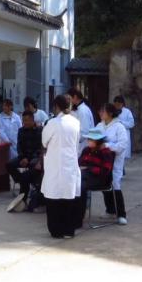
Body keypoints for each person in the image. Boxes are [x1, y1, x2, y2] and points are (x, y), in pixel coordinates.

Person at [41, 95, 82, 239]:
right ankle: (69, 230)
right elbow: (76, 143)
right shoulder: (76, 122)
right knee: (68, 197)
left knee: (54, 198)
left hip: (55, 164)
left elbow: (44, 141)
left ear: (56, 107)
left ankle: (56, 230)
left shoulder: (53, 123)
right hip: (70, 163)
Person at [98, 103, 130, 225]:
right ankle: (110, 210)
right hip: (102, 161)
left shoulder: (119, 127)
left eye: (103, 111)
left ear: (110, 113)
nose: (101, 113)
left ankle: (121, 214)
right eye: (100, 111)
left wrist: (107, 145)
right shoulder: (100, 125)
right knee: (105, 185)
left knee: (115, 185)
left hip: (115, 161)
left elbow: (122, 145)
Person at [76, 127, 115, 228]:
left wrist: (89, 168)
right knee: (75, 185)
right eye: (88, 139)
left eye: (91, 139)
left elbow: (105, 171)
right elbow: (79, 163)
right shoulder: (86, 150)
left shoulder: (105, 152)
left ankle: (78, 219)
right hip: (85, 176)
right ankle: (73, 214)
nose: (88, 141)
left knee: (81, 187)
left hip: (100, 179)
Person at [6, 110, 44, 212]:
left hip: (34, 157)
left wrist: (28, 158)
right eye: (23, 120)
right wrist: (22, 157)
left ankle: (26, 185)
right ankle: (21, 181)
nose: (25, 123)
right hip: (23, 156)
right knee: (9, 164)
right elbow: (19, 146)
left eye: (27, 120)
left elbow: (39, 148)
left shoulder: (39, 130)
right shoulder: (21, 130)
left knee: (32, 166)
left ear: (32, 120)